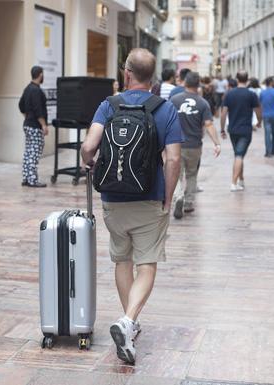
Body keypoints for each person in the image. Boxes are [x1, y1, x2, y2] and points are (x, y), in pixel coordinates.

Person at [81, 48, 183, 364]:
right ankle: (128, 321)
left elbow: (88, 146)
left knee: (122, 260)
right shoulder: (165, 109)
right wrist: (168, 196)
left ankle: (129, 323)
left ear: (126, 73)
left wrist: (90, 163)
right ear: (152, 77)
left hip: (113, 198)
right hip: (149, 196)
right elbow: (175, 159)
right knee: (147, 263)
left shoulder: (108, 105)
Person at [170, 72, 221, 219]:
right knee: (192, 174)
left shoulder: (174, 100)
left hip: (176, 144)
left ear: (185, 83)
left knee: (176, 174)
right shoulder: (202, 103)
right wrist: (216, 143)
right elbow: (209, 124)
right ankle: (188, 202)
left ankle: (178, 196)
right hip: (194, 145)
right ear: (198, 85)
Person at [220, 71, 262, 192]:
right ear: (247, 79)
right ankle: (233, 183)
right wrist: (259, 122)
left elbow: (223, 113)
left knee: (239, 154)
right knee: (239, 155)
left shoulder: (229, 94)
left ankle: (241, 180)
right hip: (245, 129)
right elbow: (258, 110)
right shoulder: (251, 94)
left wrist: (222, 129)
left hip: (232, 129)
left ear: (237, 79)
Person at [18, 66, 50, 188]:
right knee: (34, 153)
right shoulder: (36, 91)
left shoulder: (27, 89)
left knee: (28, 152)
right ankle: (32, 180)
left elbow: (21, 105)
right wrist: (43, 125)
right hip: (35, 126)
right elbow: (38, 110)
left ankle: (26, 178)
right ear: (40, 75)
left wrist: (27, 116)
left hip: (27, 124)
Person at [259, 76, 274, 157]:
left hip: (266, 115)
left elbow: (260, 105)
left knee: (267, 134)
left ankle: (268, 152)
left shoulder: (262, 93)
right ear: (270, 83)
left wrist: (260, 116)